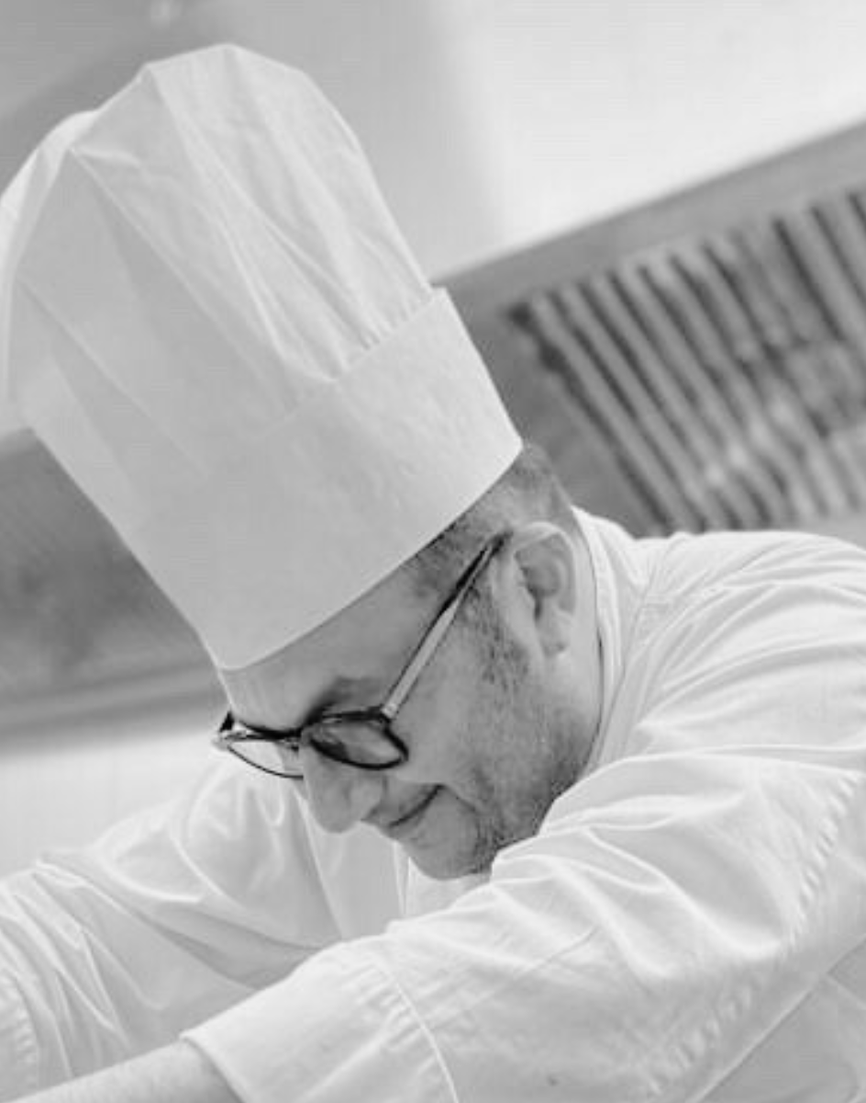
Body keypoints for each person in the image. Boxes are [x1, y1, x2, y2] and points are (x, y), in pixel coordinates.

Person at [1, 44, 866, 1103]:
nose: (326, 804)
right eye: (279, 741)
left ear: (535, 590)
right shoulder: (351, 763)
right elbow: (80, 950)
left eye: (349, 719)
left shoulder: (811, 642)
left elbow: (513, 992)